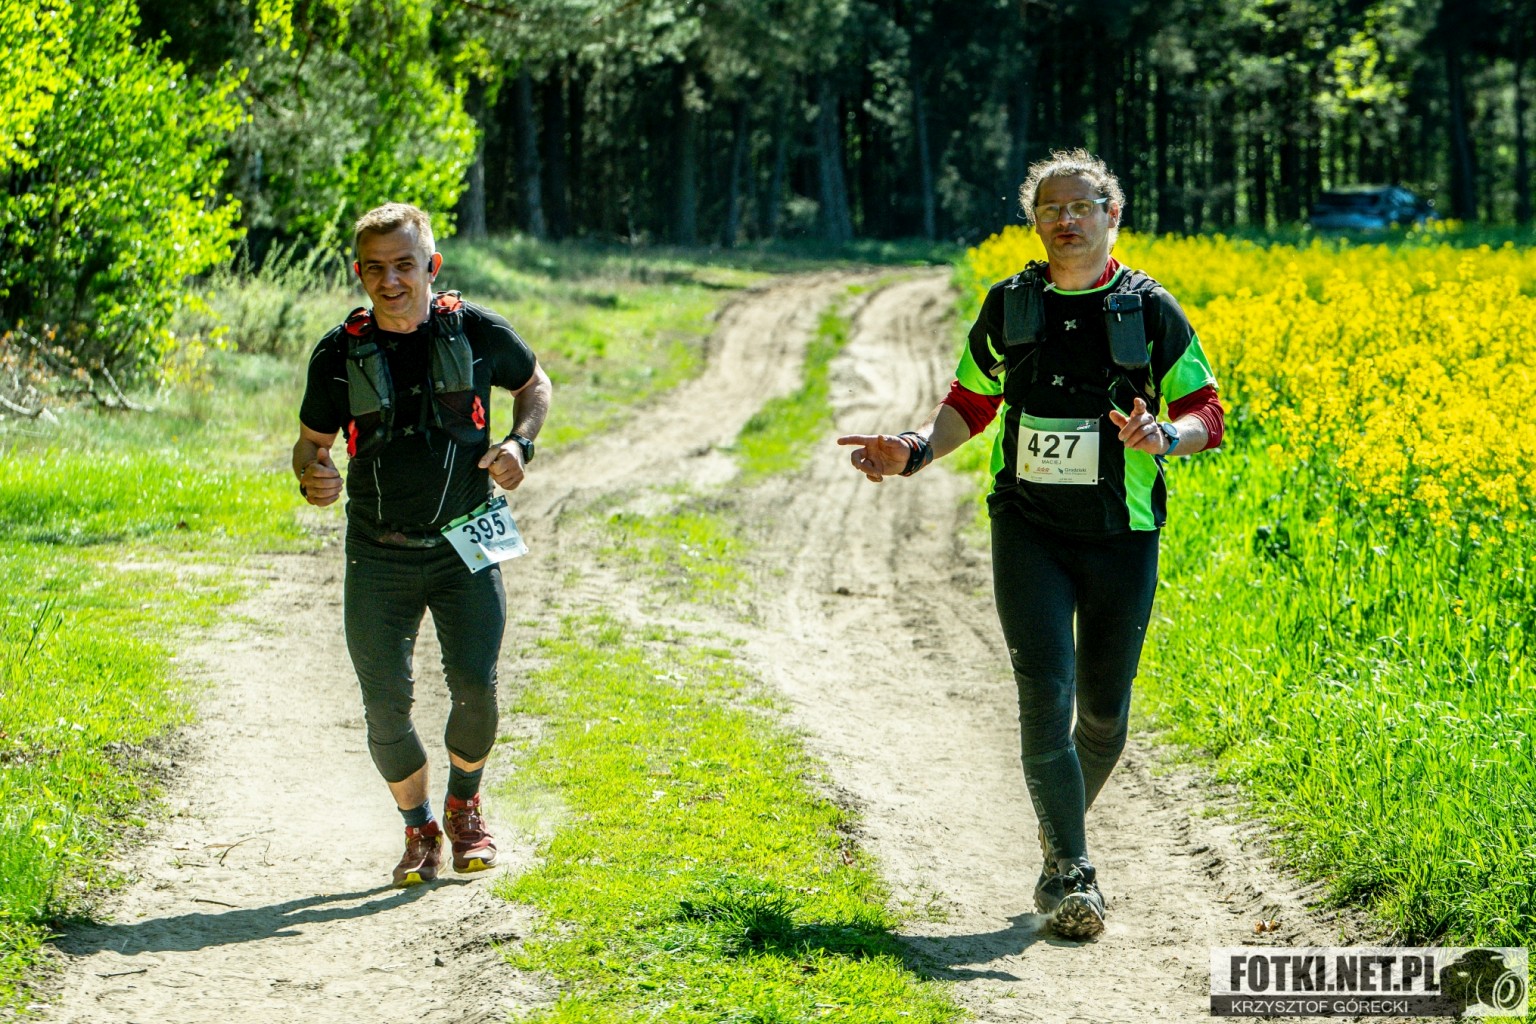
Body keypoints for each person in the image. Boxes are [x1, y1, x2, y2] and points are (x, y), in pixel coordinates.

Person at [837, 149, 1224, 939]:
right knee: (1044, 693)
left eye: (1082, 206)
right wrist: (912, 449)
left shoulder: (1150, 309)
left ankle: (1056, 832)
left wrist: (1165, 436)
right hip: (1029, 527)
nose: (1066, 219)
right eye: (1051, 208)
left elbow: (1207, 413)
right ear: (1035, 220)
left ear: (1113, 216)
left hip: (1123, 533)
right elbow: (970, 401)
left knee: (1104, 717)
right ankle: (1073, 872)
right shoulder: (1010, 304)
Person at [293, 202, 552, 887]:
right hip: (378, 551)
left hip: (468, 538)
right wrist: (312, 474)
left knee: (474, 685)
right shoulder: (338, 354)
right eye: (375, 268)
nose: (391, 281)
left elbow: (534, 384)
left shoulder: (476, 330)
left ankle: (465, 807)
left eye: (404, 265)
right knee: (384, 706)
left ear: (431, 266)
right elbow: (311, 445)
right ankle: (420, 830)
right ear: (359, 273)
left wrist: (519, 444)